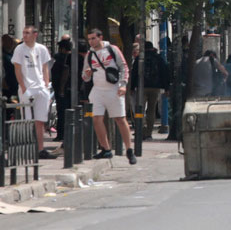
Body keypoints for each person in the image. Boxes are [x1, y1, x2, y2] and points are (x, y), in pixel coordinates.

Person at [82, 28, 136, 164]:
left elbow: (123, 67)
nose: (91, 41)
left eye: (93, 38)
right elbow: (85, 76)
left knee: (120, 119)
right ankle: (106, 148)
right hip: (98, 90)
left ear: (100, 38)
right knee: (96, 119)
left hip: (114, 88)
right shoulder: (90, 54)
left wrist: (123, 84)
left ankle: (129, 149)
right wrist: (87, 74)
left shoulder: (112, 49)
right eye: (89, 39)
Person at [12, 26, 56, 159]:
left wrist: (46, 85)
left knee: (40, 120)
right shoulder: (19, 49)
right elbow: (17, 69)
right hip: (28, 88)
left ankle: (40, 149)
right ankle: (28, 148)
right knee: (28, 120)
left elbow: (44, 68)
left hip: (40, 87)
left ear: (35, 34)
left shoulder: (41, 49)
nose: (24, 35)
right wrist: (23, 88)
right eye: (24, 33)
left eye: (27, 33)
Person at [129, 41, 170, 139]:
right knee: (151, 110)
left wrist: (131, 87)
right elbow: (164, 73)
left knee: (140, 109)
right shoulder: (159, 58)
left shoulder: (139, 58)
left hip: (142, 87)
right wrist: (166, 88)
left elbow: (134, 73)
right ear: (152, 48)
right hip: (155, 87)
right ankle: (149, 132)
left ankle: (141, 130)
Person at [50, 38, 73, 140]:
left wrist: (61, 89)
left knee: (62, 113)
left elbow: (65, 73)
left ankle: (61, 135)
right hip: (66, 90)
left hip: (62, 91)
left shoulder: (60, 58)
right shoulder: (72, 58)